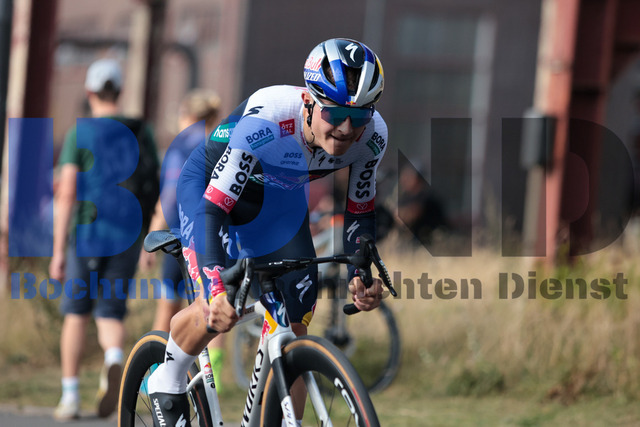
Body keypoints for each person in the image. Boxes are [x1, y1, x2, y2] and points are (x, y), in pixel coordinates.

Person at [146, 38, 386, 426]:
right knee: (216, 304)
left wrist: (361, 273)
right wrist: (216, 288)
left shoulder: (373, 138)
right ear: (309, 102)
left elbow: (360, 210)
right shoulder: (269, 118)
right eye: (336, 113)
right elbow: (214, 208)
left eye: (358, 117)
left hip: (277, 200)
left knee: (295, 323)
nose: (346, 128)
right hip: (211, 191)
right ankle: (168, 377)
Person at [49, 58, 160, 420]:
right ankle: (113, 358)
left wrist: (57, 250)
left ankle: (70, 396)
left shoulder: (80, 134)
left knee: (76, 313)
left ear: (89, 92)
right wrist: (150, 236)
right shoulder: (140, 131)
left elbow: (67, 192)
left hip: (88, 233)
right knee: (110, 311)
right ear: (120, 91)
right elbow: (154, 185)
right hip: (128, 235)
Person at [138, 89, 227, 388]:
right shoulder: (219, 144)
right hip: (217, 236)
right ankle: (214, 377)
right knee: (215, 303)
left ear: (185, 115)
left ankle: (155, 374)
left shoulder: (181, 147)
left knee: (168, 305)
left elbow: (169, 194)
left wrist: (152, 234)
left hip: (182, 235)